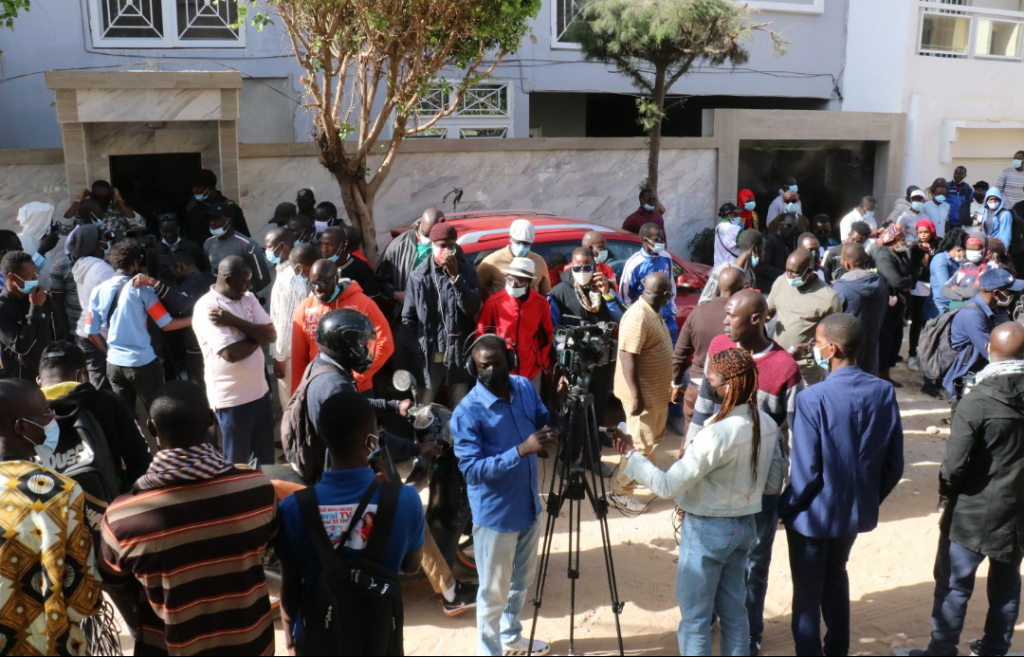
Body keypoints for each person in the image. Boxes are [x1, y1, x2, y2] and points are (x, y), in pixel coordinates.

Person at [613, 348, 786, 656]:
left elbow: (666, 485)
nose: (708, 386)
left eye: (712, 380)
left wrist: (631, 454)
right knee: (735, 614)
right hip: (745, 528)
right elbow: (773, 484)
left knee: (695, 620)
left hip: (707, 531)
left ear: (728, 386)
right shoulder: (767, 425)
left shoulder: (715, 433)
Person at [99, 380, 278, 655]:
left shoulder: (122, 518)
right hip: (251, 644)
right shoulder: (257, 490)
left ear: (152, 429)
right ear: (210, 419)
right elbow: (268, 549)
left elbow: (117, 585)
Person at [683, 290, 804, 654]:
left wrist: (789, 491)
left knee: (754, 565)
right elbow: (702, 412)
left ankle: (750, 633)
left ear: (756, 319)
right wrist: (689, 462)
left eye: (731, 315)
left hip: (760, 489)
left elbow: (797, 437)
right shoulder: (720, 349)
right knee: (708, 562)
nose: (724, 321)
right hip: (715, 482)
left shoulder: (785, 368)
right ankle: (709, 619)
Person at [780, 313, 904, 657]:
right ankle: (838, 649)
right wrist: (866, 497)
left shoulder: (812, 398)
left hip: (811, 515)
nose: (814, 348)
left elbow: (806, 471)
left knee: (807, 592)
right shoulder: (883, 391)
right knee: (836, 576)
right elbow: (894, 464)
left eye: (817, 343)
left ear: (832, 349)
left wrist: (785, 507)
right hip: (853, 512)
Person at [277, 389, 425, 655]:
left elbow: (290, 587)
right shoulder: (405, 500)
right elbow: (411, 565)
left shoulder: (294, 508)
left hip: (318, 640)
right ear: (371, 440)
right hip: (378, 640)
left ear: (324, 437)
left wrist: (290, 642)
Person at [910, 322, 1024, 657]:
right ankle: (994, 649)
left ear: (989, 349)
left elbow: (954, 464)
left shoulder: (977, 400)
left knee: (953, 585)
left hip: (971, 512)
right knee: (1006, 585)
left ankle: (942, 649)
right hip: (1017, 511)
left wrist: (946, 495)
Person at [451, 334, 557, 657]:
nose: (491, 371)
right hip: (496, 517)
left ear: (510, 361)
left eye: (497, 363)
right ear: (474, 368)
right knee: (493, 593)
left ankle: (510, 637)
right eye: (484, 366)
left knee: (520, 583)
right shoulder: (467, 412)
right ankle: (489, 651)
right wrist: (521, 450)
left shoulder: (523, 386)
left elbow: (542, 419)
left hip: (528, 506)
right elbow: (472, 470)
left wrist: (556, 415)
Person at [0, 379, 101, 655]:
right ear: (21, 427)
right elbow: (82, 602)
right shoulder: (61, 492)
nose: (52, 421)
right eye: (45, 414)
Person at [37, 341, 151, 537]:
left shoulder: (26, 412)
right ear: (82, 375)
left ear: (39, 381)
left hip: (52, 532)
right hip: (111, 522)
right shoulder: (107, 402)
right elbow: (139, 459)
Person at [87, 241, 190, 420]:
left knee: (126, 419)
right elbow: (166, 324)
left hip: (114, 364)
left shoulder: (97, 291)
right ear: (135, 263)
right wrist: (195, 319)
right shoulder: (142, 290)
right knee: (158, 416)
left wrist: (108, 352)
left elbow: (91, 332)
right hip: (143, 364)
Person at [192, 256, 277, 464]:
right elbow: (231, 354)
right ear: (228, 280)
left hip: (260, 394)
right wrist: (258, 335)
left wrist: (233, 321)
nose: (249, 286)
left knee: (266, 462)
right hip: (232, 401)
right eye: (245, 281)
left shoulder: (248, 298)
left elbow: (272, 335)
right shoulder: (207, 308)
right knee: (237, 465)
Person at [611, 272, 675, 513]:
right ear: (667, 295)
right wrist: (636, 396)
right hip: (643, 396)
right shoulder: (638, 316)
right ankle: (621, 493)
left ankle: (645, 476)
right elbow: (627, 356)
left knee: (650, 441)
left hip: (655, 393)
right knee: (639, 445)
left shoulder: (652, 310)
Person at [402, 223, 482, 407]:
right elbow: (408, 317)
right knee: (423, 407)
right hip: (430, 354)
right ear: (432, 246)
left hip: (458, 353)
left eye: (451, 245)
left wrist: (456, 278)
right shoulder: (419, 276)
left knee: (461, 407)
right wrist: (416, 347)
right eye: (442, 246)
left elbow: (472, 308)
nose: (446, 251)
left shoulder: (466, 271)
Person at [548, 247, 625, 436]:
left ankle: (596, 444)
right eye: (577, 268)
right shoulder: (559, 293)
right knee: (573, 407)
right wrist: (561, 362)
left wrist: (607, 294)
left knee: (599, 404)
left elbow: (621, 318)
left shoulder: (604, 288)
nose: (582, 272)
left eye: (587, 268)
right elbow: (553, 330)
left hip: (601, 359)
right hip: (573, 361)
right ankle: (571, 447)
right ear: (571, 267)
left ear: (595, 267)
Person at [291, 259, 392, 395]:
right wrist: (297, 394)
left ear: (336, 279)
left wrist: (356, 377)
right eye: (313, 284)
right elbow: (298, 358)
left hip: (358, 389)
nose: (317, 288)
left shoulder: (362, 303)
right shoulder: (304, 309)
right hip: (321, 389)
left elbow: (385, 344)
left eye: (323, 282)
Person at [674, 267, 745, 442]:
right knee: (720, 444)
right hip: (728, 393)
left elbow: (680, 353)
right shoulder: (742, 319)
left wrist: (676, 382)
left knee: (690, 440)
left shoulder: (697, 312)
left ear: (719, 286)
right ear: (740, 290)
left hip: (696, 386)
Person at [136, 249, 216, 388]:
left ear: (180, 266)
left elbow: (182, 303)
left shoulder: (191, 283)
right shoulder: (211, 278)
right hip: (217, 341)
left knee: (199, 390)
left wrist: (153, 282)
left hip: (198, 346)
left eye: (172, 270)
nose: (172, 275)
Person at [943, 268, 1024, 402]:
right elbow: (995, 354)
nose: (1014, 295)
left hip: (981, 380)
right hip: (965, 386)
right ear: (996, 293)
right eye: (1011, 292)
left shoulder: (993, 309)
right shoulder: (972, 316)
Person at [765, 248, 842, 385]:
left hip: (806, 369)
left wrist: (806, 349)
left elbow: (834, 339)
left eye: (795, 272)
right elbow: (768, 311)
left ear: (809, 270)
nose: (789, 276)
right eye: (787, 270)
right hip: (777, 361)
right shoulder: (781, 282)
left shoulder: (829, 298)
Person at [476, 257, 553, 392]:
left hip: (531, 370)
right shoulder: (493, 303)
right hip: (500, 369)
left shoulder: (541, 304)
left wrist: (541, 362)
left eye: (519, 281)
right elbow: (481, 336)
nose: (513, 284)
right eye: (510, 279)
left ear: (528, 282)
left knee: (530, 404)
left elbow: (546, 335)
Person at [0, 250, 63, 382]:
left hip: (49, 375)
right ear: (12, 277)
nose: (35, 280)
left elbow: (57, 332)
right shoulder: (3, 308)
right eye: (30, 276)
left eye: (36, 274)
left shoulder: (43, 298)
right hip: (20, 381)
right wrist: (35, 308)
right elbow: (21, 346)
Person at [67, 225, 114, 389]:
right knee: (102, 385)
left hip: (85, 331)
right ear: (95, 243)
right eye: (103, 238)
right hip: (99, 335)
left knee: (94, 382)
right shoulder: (101, 269)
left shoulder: (82, 265)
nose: (106, 242)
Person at [832, 243, 889, 377]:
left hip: (848, 353)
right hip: (872, 347)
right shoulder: (880, 282)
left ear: (847, 264)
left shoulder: (841, 288)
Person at [376, 207, 446, 314]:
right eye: (427, 234)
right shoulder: (398, 246)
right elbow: (380, 279)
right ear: (419, 223)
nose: (431, 239)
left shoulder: (450, 246)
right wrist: (396, 294)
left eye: (434, 235)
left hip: (438, 313)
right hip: (407, 313)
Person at [265, 227, 307, 404]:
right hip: (295, 352)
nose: (267, 251)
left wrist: (280, 358)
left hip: (290, 355)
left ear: (282, 247)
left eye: (269, 247)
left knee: (291, 404)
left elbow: (287, 324)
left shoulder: (289, 279)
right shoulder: (288, 273)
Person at [875, 225, 917, 386]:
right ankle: (880, 375)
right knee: (885, 342)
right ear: (893, 240)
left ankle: (886, 374)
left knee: (895, 342)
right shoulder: (884, 256)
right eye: (902, 239)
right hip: (887, 307)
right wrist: (907, 281)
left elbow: (914, 274)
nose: (904, 242)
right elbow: (896, 281)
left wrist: (908, 282)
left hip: (900, 308)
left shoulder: (901, 254)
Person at [205, 201, 271, 295]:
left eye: (218, 219)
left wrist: (244, 294)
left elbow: (263, 278)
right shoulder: (208, 244)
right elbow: (211, 272)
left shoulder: (248, 245)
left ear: (229, 221)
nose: (213, 222)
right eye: (211, 219)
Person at [477, 219, 552, 297]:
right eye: (518, 242)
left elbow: (546, 294)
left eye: (526, 244)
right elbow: (475, 290)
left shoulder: (539, 262)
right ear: (510, 238)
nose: (521, 247)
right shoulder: (493, 261)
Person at [63, 179, 144, 240]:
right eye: (99, 197)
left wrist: (119, 200)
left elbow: (139, 224)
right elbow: (64, 228)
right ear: (93, 195)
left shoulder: (118, 209)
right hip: (91, 252)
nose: (103, 199)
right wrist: (78, 200)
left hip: (116, 251)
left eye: (105, 196)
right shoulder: (85, 208)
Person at [908, 220, 940, 373]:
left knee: (932, 322)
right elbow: (918, 269)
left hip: (935, 286)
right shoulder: (915, 247)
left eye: (925, 232)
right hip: (919, 287)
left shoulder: (938, 245)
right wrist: (925, 256)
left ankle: (929, 354)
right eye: (920, 232)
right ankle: (912, 354)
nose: (923, 235)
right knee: (917, 321)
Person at [185, 168, 251, 242]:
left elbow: (244, 238)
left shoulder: (231, 208)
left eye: (198, 187)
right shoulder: (192, 206)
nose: (194, 190)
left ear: (209, 188)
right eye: (193, 187)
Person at [320, 225, 381, 298]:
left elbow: (373, 297)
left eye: (328, 244)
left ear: (344, 245)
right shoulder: (321, 267)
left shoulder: (361, 268)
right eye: (322, 244)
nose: (324, 249)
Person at [149, 212, 209, 283]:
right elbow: (152, 276)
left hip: (191, 287)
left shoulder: (192, 247)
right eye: (165, 231)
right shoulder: (153, 251)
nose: (169, 235)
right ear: (160, 231)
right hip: (166, 288)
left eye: (173, 231)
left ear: (178, 229)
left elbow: (204, 269)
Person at [928, 229, 967, 321]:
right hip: (940, 307)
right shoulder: (941, 259)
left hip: (951, 304)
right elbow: (945, 285)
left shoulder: (956, 262)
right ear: (959, 250)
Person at [756, 212, 799, 291]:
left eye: (795, 228)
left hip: (780, 289)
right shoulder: (770, 241)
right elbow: (762, 267)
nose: (792, 230)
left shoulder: (790, 244)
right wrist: (785, 275)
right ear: (780, 225)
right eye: (789, 226)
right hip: (767, 289)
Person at [942, 236, 991, 304]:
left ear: (984, 249)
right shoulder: (964, 267)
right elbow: (945, 290)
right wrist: (962, 297)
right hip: (955, 308)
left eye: (975, 249)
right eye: (969, 249)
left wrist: (956, 289)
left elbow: (975, 292)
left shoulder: (988, 269)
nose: (971, 251)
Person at [980, 187, 1014, 252]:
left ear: (1000, 200)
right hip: (987, 246)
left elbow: (1005, 235)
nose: (993, 202)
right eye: (991, 199)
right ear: (987, 200)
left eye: (996, 199)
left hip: (997, 247)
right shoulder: (986, 213)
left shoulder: (1005, 214)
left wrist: (1003, 250)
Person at [713, 202, 744, 269]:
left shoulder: (718, 227)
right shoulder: (737, 229)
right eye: (735, 214)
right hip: (731, 269)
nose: (738, 217)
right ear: (728, 215)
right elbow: (746, 247)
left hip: (717, 268)